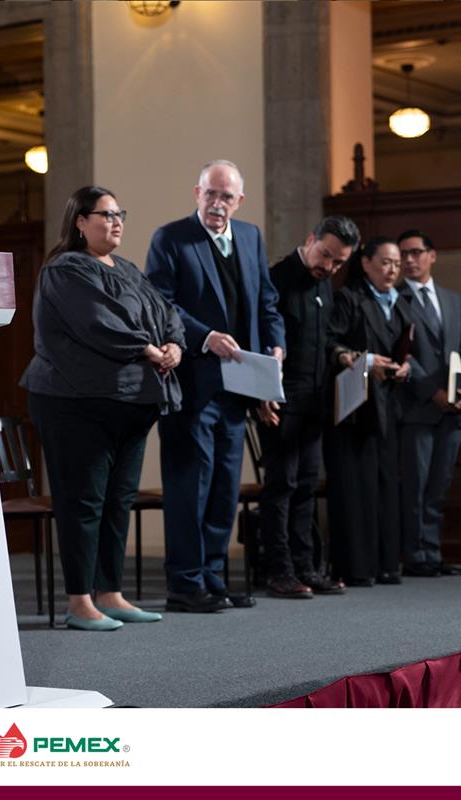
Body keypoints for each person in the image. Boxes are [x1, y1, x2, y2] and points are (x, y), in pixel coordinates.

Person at [20, 185, 185, 631]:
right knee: (83, 502)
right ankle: (79, 601)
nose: (116, 222)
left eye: (120, 214)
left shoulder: (128, 269)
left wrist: (174, 344)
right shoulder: (66, 269)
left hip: (131, 402)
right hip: (75, 402)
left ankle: (109, 592)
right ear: (80, 221)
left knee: (117, 502)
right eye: (106, 214)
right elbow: (98, 323)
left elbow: (166, 312)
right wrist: (149, 349)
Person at [145, 160, 285, 613]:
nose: (218, 204)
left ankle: (212, 577)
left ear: (239, 201)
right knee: (191, 485)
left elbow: (267, 301)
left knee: (225, 486)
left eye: (227, 197)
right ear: (196, 193)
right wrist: (205, 337)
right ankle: (185, 583)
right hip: (191, 384)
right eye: (211, 194)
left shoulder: (250, 237)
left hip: (239, 386)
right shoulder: (171, 238)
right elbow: (159, 304)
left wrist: (275, 348)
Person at [257, 216, 360, 599]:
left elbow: (325, 338)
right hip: (281, 401)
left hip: (314, 401)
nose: (329, 267)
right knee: (281, 486)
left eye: (338, 263)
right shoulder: (278, 278)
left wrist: (341, 354)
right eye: (326, 255)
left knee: (305, 487)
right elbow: (263, 339)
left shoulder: (325, 285)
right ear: (310, 237)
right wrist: (263, 394)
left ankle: (306, 567)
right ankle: (278, 570)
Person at [324, 237, 411, 587]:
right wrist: (368, 360)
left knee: (387, 486)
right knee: (356, 486)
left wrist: (407, 366)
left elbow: (407, 347)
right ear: (365, 263)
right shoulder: (348, 298)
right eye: (385, 262)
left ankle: (386, 563)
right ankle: (357, 567)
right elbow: (330, 343)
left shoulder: (401, 302)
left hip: (388, 405)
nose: (392, 269)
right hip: (355, 406)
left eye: (396, 264)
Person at [396, 229, 461, 577]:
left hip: (453, 412)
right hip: (417, 408)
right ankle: (414, 554)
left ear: (432, 255)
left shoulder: (454, 300)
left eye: (416, 252)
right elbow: (403, 354)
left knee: (439, 485)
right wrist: (431, 391)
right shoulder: (395, 299)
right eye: (404, 254)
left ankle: (433, 553)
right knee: (415, 488)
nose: (409, 260)